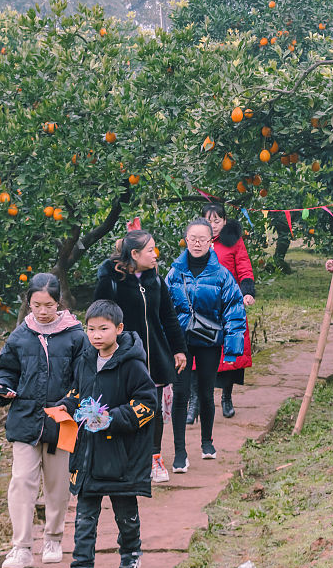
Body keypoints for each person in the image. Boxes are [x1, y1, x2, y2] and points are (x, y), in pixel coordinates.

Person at [56, 299, 157, 568]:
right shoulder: (85, 360)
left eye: (103, 329)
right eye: (91, 329)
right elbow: (78, 392)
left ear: (119, 329)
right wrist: (66, 406)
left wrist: (112, 419)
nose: (96, 335)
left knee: (124, 511)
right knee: (85, 516)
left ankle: (130, 553)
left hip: (119, 454)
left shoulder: (133, 364)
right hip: (88, 454)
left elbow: (147, 404)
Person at [0, 273, 85, 568]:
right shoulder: (20, 335)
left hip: (62, 421)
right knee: (21, 482)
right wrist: (2, 388)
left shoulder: (76, 336)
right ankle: (21, 547)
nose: (42, 311)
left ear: (59, 303)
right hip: (25, 419)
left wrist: (70, 403)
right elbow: (5, 370)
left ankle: (53, 539)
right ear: (28, 303)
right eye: (36, 304)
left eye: (48, 305)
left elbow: (85, 378)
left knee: (57, 485)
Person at [94, 230, 187, 484]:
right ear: (134, 254)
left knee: (153, 409)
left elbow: (168, 316)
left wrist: (178, 349)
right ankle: (126, 460)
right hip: (122, 357)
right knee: (123, 408)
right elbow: (98, 319)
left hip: (153, 357)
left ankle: (154, 457)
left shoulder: (154, 280)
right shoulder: (111, 281)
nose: (155, 255)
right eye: (150, 250)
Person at [166, 219, 246, 472]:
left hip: (209, 341)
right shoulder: (174, 272)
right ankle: (180, 451)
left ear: (211, 241)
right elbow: (163, 310)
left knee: (205, 392)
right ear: (186, 240)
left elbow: (234, 310)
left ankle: (207, 442)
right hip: (181, 342)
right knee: (180, 394)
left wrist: (233, 348)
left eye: (203, 238)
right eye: (193, 238)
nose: (198, 243)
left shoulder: (222, 274)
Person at [197, 203, 255, 420]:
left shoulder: (233, 242)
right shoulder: (197, 241)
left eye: (217, 220)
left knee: (229, 353)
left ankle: (226, 397)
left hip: (228, 304)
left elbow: (244, 266)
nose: (212, 225)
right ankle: (198, 401)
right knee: (199, 354)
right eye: (208, 220)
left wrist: (247, 291)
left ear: (224, 221)